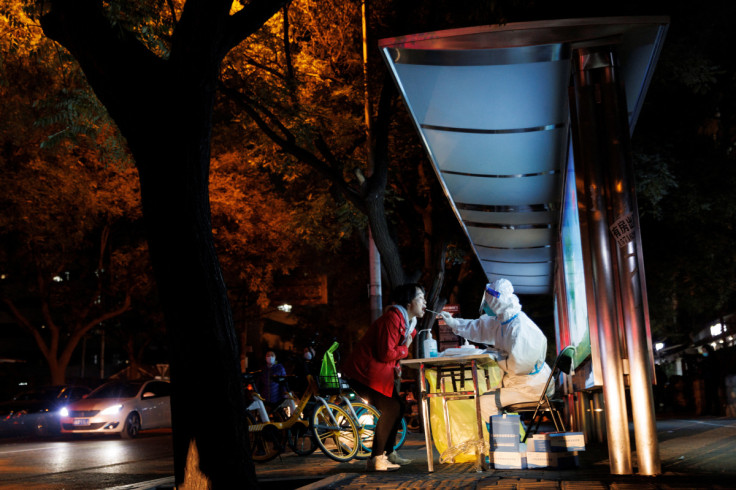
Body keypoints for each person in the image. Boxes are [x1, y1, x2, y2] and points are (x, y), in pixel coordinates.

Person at [441, 278, 553, 423]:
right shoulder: (505, 321)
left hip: (531, 387)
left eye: (488, 302)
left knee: (485, 402)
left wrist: (495, 356)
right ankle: (507, 439)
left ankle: (505, 442)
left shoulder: (519, 328)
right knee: (484, 393)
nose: (486, 306)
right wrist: (454, 323)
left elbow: (519, 366)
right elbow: (479, 328)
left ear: (496, 303)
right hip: (524, 383)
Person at [342, 283, 426, 472]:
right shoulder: (393, 319)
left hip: (377, 374)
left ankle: (387, 453)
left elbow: (390, 354)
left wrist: (398, 363)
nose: (425, 302)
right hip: (362, 373)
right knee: (391, 408)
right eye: (420, 297)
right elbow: (385, 353)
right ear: (408, 302)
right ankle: (378, 458)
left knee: (399, 406)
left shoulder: (408, 323)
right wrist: (405, 349)